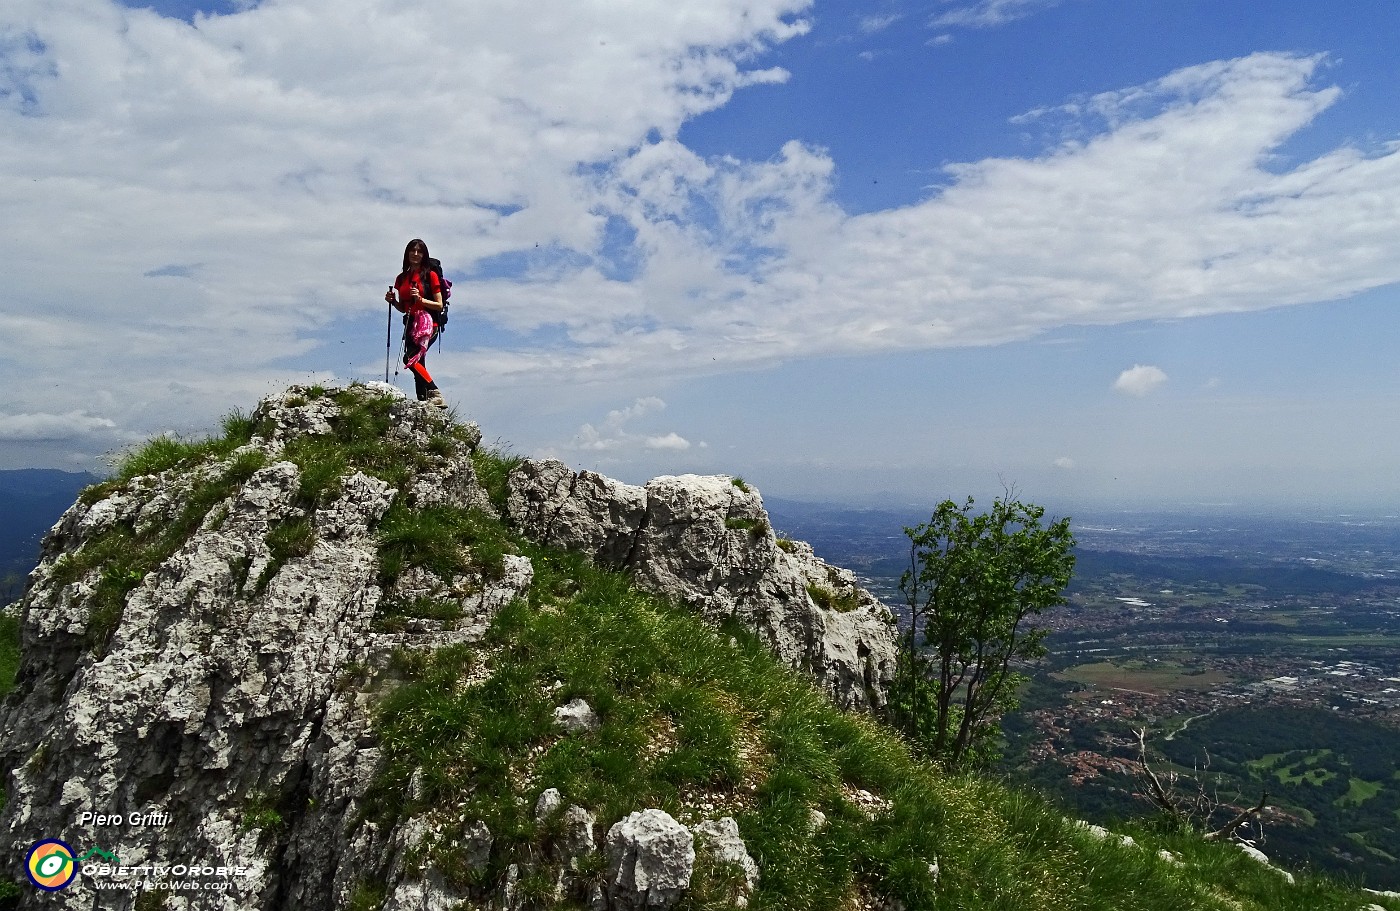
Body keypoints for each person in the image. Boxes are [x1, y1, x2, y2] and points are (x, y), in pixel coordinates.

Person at [385, 238, 447, 406]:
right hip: (411, 325)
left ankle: (435, 393)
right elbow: (405, 308)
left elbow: (439, 305)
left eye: (420, 251)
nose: (416, 254)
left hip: (429, 324)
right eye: (413, 250)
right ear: (407, 254)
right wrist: (393, 302)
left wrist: (420, 299)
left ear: (424, 255)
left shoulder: (430, 275)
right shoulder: (401, 278)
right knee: (418, 363)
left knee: (410, 359)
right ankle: (425, 400)